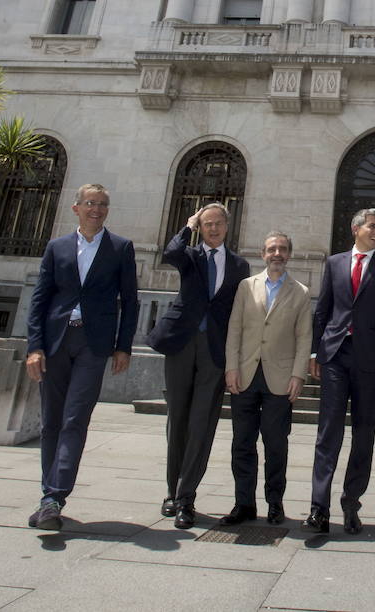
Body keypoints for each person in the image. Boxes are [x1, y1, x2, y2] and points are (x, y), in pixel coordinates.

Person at [25, 183, 139, 530]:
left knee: (75, 419)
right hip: (56, 341)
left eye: (103, 204)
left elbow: (130, 301)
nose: (97, 209)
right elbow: (40, 299)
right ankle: (48, 494)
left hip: (93, 344)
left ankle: (55, 495)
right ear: (76, 208)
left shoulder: (120, 248)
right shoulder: (57, 247)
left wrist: (123, 346)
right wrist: (34, 346)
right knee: (51, 422)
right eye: (90, 203)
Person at [304, 207, 375, 535]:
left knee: (364, 434)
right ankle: (318, 508)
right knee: (328, 432)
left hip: (369, 361)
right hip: (335, 356)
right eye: (372, 226)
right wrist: (315, 350)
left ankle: (352, 503)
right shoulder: (334, 263)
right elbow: (324, 309)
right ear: (356, 229)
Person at [148, 203, 251, 529]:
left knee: (202, 424)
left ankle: (186, 497)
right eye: (207, 224)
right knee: (177, 418)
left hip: (214, 351)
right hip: (181, 343)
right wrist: (188, 223)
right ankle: (170, 490)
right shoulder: (190, 256)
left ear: (227, 226)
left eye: (219, 223)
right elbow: (170, 251)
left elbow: (238, 312)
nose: (214, 228)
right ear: (200, 227)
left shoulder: (239, 265)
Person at [221, 231, 311, 527]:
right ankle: (243, 503)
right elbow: (234, 329)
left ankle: (275, 503)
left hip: (280, 379)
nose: (277, 254)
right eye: (272, 249)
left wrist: (299, 374)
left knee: (276, 444)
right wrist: (231, 367)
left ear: (289, 255)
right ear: (263, 253)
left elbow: (304, 338)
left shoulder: (300, 291)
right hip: (245, 375)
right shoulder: (247, 286)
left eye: (282, 249)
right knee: (242, 443)